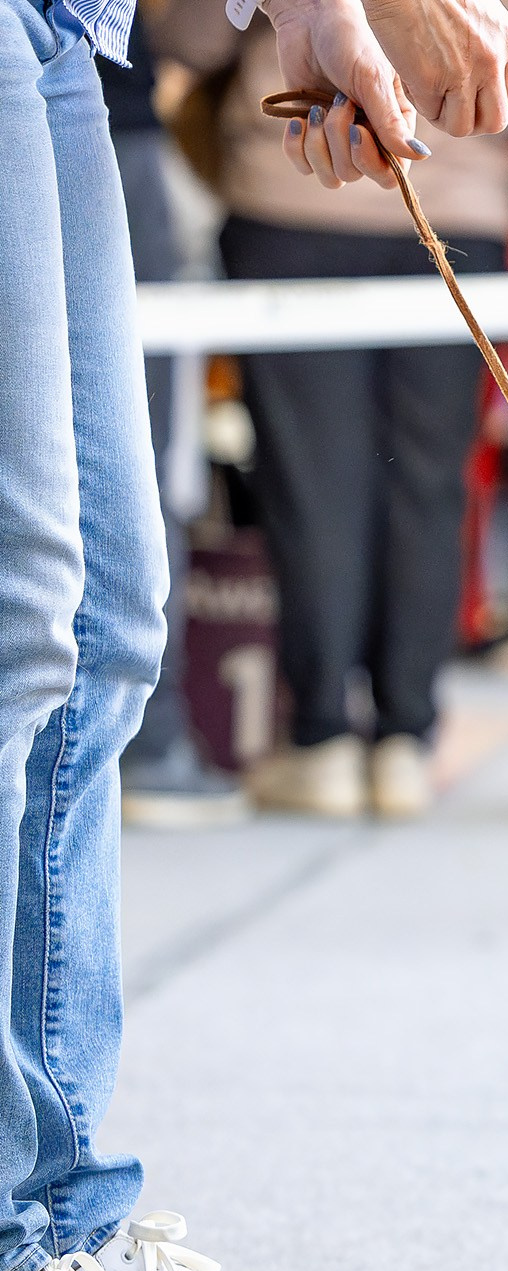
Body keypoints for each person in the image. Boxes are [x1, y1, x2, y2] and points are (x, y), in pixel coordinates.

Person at [1, 0, 508, 1271]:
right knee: (19, 621)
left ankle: (61, 1226)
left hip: (66, 32)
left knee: (107, 622)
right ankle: (4, 1261)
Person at [157, 0, 508, 821]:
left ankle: (323, 738)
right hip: (460, 189)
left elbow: (189, 35)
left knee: (311, 484)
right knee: (431, 484)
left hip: (295, 199)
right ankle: (405, 738)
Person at [105, 13, 253, 829]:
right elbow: (195, 31)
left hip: (86, 116)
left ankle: (145, 741)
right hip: (91, 125)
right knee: (125, 461)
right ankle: (150, 745)